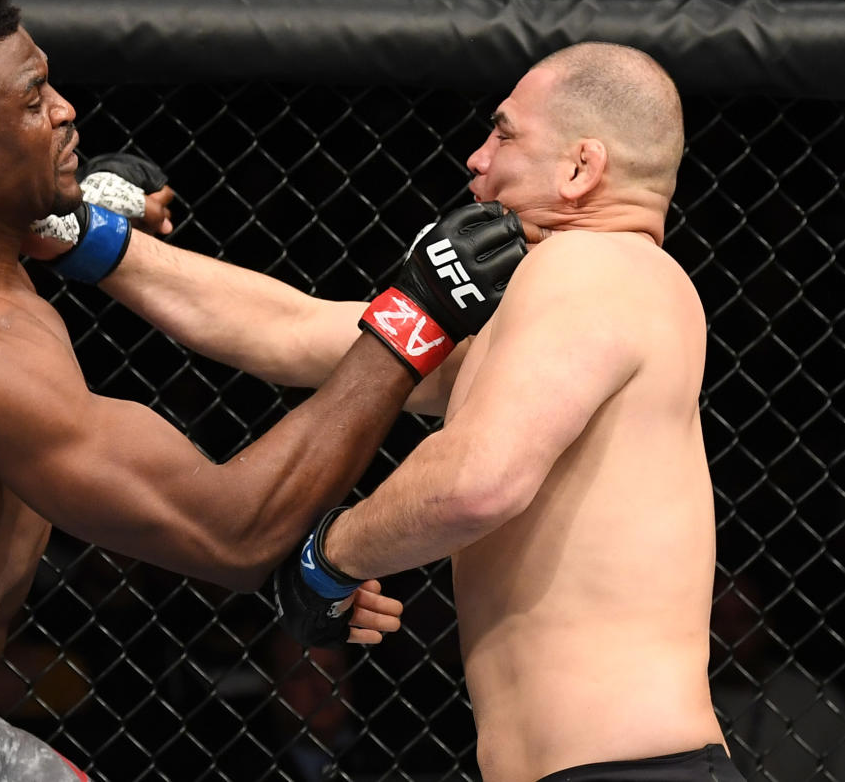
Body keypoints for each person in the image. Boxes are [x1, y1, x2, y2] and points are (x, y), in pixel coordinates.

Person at [0, 0, 527, 781]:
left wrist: (63, 213)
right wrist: (414, 315)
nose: (63, 110)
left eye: (48, 83)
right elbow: (232, 535)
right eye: (29, 102)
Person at [95, 41, 747, 782]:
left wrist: (328, 556)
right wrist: (91, 242)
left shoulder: (594, 268)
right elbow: (291, 330)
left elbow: (477, 480)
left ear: (579, 167)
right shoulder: (575, 310)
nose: (475, 157)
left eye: (503, 133)